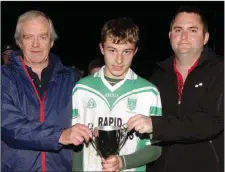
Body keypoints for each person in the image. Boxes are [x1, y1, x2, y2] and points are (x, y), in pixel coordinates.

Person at [127, 6, 224, 172]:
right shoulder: (157, 77)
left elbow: (212, 122)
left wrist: (156, 125)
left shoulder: (220, 71)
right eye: (178, 30)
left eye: (193, 30)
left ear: (205, 37)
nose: (184, 36)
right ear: (170, 35)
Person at [1, 10, 92, 171]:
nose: (36, 44)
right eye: (28, 37)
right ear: (19, 42)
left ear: (51, 42)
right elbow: (9, 126)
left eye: (43, 37)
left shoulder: (72, 80)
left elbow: (90, 119)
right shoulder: (4, 77)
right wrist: (59, 135)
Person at [72, 17, 162, 171]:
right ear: (101, 48)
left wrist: (123, 163)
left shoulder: (149, 92)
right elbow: (77, 147)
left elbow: (155, 149)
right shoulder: (82, 89)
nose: (119, 60)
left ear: (135, 51)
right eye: (112, 50)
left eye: (126, 51)